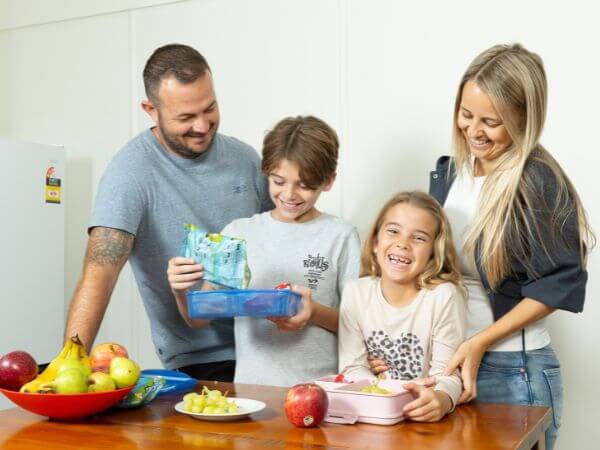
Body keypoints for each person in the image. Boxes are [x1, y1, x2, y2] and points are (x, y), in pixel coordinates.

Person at [371, 43, 594, 448]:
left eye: (490, 122)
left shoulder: (536, 182)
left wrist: (480, 342)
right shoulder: (449, 174)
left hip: (513, 372)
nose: (473, 131)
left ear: (524, 119)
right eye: (466, 114)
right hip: (447, 370)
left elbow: (559, 283)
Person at [64, 44, 272, 382]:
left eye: (209, 108)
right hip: (199, 363)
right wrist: (69, 365)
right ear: (151, 110)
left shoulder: (246, 160)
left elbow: (282, 240)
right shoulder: (130, 174)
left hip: (271, 347)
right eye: (186, 117)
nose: (202, 126)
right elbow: (99, 272)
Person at [168, 115, 361, 387]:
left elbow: (358, 326)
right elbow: (200, 319)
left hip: (322, 393)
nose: (289, 195)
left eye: (304, 185)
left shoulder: (341, 236)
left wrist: (313, 312)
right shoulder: (238, 233)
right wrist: (180, 291)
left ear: (328, 181)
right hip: (251, 394)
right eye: (278, 181)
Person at [338, 191, 466, 422]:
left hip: (423, 420)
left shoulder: (444, 296)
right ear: (375, 242)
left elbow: (447, 375)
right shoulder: (355, 292)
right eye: (393, 231)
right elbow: (352, 368)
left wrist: (443, 399)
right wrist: (386, 393)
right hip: (374, 416)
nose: (402, 244)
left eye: (419, 238)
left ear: (433, 252)